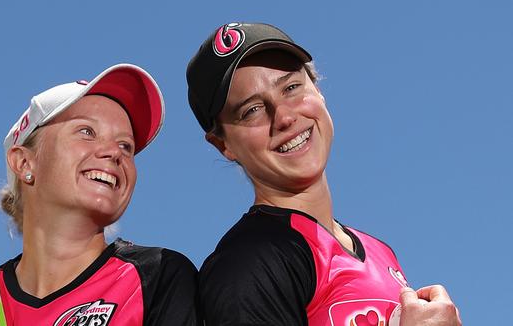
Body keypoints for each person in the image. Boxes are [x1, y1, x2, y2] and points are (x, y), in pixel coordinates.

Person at [186, 22, 461, 325]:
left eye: (291, 88)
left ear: (317, 89)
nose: (285, 118)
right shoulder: (249, 263)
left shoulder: (379, 251)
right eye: (252, 110)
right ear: (223, 144)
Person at [0, 63, 200, 325]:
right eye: (87, 132)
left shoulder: (158, 275)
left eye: (126, 146)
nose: (115, 153)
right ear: (25, 163)